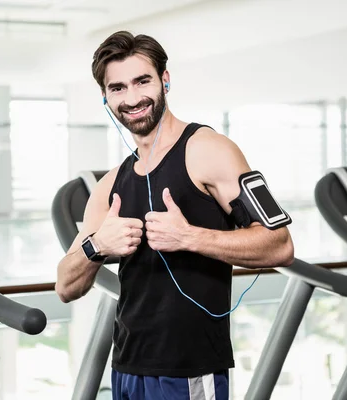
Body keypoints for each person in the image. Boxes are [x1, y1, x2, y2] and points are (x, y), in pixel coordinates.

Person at [55, 31, 295, 400]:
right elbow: (66, 287)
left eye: (142, 81)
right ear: (105, 97)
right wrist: (97, 245)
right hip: (127, 366)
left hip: (190, 368)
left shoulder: (208, 150)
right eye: (118, 88)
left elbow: (279, 244)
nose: (133, 98)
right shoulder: (110, 185)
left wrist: (189, 237)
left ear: (165, 80)